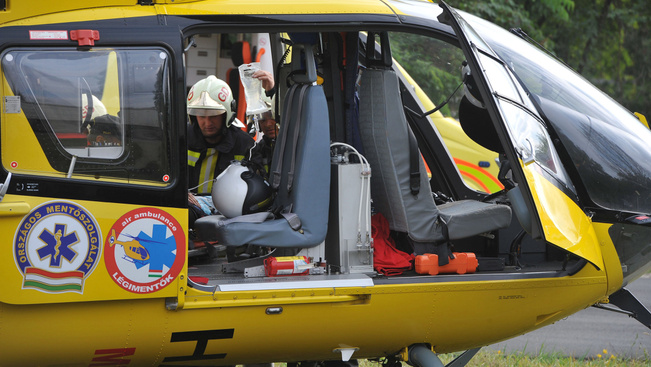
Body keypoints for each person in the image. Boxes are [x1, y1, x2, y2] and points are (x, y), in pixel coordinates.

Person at [187, 75, 255, 226]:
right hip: (186, 207)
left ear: (227, 113)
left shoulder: (244, 144)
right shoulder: (181, 139)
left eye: (213, 116)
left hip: (229, 216)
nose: (207, 122)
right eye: (201, 116)